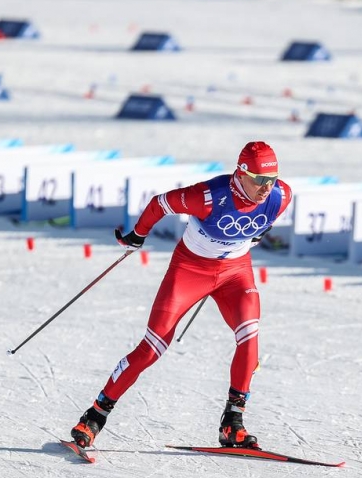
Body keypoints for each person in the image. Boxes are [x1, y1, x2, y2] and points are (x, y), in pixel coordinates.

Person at [71, 141, 291, 450]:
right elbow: (160, 203)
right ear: (240, 173)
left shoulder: (281, 196)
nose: (266, 187)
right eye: (259, 179)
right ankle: (95, 415)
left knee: (250, 338)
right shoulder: (208, 196)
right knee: (151, 348)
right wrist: (138, 234)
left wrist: (252, 236)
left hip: (236, 274)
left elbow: (259, 225)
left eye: (271, 179)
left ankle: (233, 423)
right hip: (190, 271)